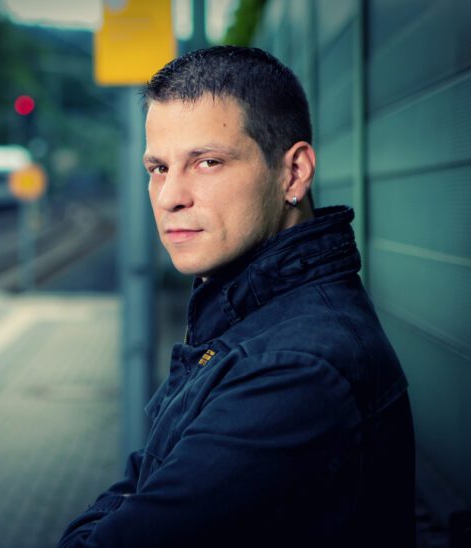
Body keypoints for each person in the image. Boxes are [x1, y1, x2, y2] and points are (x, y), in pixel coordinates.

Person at [59, 46, 415, 547]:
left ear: (293, 173)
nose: (169, 197)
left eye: (206, 162)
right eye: (158, 167)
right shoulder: (245, 316)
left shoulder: (295, 370)